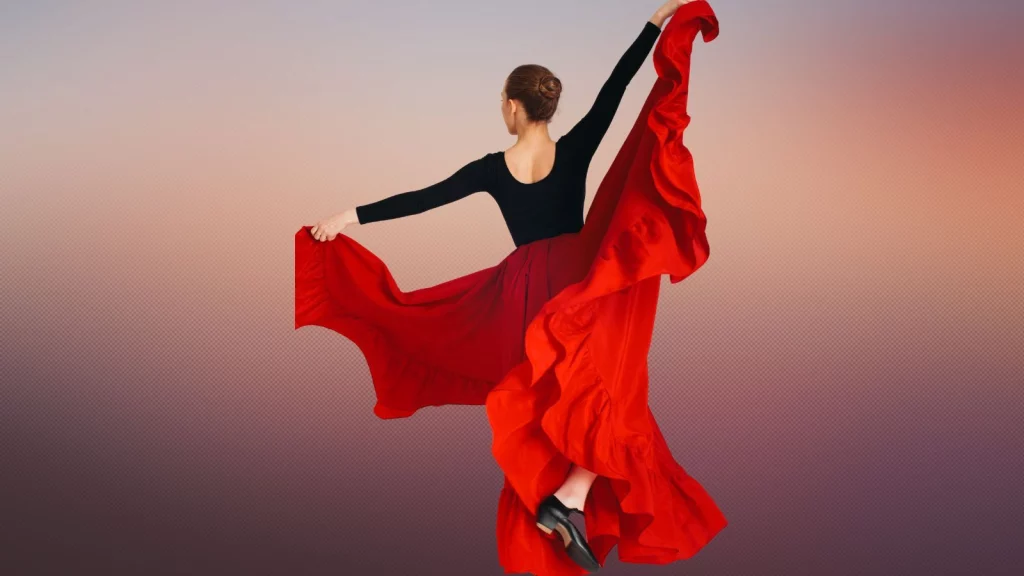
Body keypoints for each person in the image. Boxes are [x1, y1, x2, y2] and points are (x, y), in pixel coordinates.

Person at [296, 1, 726, 574]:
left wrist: (347, 217)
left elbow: (423, 199)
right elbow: (617, 87)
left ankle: (565, 503)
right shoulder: (574, 148)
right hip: (579, 285)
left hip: (521, 294)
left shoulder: (492, 168)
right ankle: (565, 503)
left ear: (515, 106)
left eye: (502, 100)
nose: (501, 108)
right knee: (606, 397)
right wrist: (656, 23)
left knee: (570, 403)